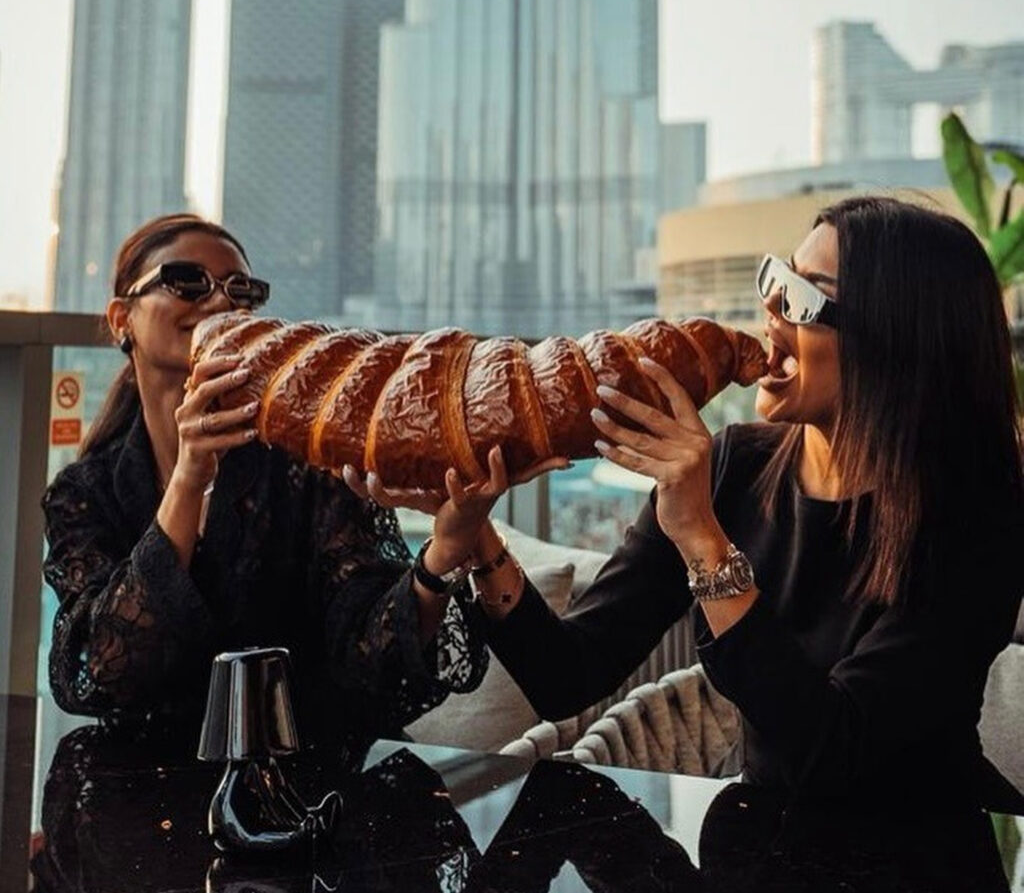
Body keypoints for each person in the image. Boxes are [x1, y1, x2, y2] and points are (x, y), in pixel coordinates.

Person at [352, 196, 1024, 809]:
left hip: (925, 849)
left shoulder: (980, 517)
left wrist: (704, 539)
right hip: (764, 836)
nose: (769, 309)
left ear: (895, 339)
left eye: (798, 295)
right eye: (773, 279)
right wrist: (478, 534)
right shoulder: (736, 464)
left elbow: (834, 749)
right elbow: (569, 672)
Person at [41, 213, 557, 744]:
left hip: (309, 775)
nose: (221, 303)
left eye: (243, 291)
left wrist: (445, 551)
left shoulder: (304, 465)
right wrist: (188, 482)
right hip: (144, 786)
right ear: (122, 318)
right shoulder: (83, 494)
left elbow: (367, 650)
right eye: (187, 281)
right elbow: (106, 668)